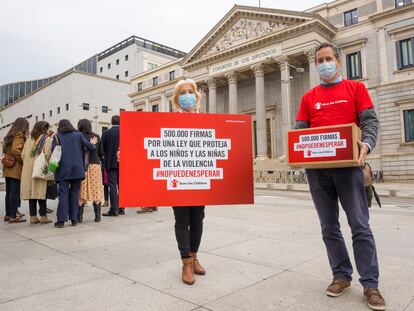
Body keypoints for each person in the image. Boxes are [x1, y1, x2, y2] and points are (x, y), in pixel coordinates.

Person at [295, 43, 385, 311]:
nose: (324, 63)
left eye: (328, 59)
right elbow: (300, 131)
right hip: (318, 172)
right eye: (319, 60)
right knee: (328, 227)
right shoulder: (309, 97)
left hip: (349, 169)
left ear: (338, 61)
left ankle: (370, 284)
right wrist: (297, 150)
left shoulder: (356, 89)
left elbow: (370, 122)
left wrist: (366, 145)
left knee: (360, 225)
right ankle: (341, 275)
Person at [170, 79, 206, 285]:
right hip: (178, 178)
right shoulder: (170, 119)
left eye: (190, 91)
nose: (187, 95)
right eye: (182, 92)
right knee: (182, 221)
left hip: (200, 178)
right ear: (177, 99)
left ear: (196, 95)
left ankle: (194, 257)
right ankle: (185, 263)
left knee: (198, 220)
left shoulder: (204, 119)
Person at [52, 119, 97, 228]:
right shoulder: (78, 134)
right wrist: (93, 143)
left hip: (63, 170)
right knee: (75, 193)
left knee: (63, 194)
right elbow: (90, 147)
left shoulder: (57, 136)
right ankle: (74, 219)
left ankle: (61, 221)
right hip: (77, 169)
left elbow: (53, 152)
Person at [20, 121, 53, 224]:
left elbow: (23, 155)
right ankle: (43, 217)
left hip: (28, 170)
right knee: (41, 193)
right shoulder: (47, 139)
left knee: (32, 193)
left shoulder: (29, 140)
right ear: (44, 129)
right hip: (39, 169)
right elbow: (47, 155)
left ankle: (33, 217)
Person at [2, 117, 29, 223]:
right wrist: (23, 160)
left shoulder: (10, 135)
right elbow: (15, 150)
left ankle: (8, 214)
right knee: (14, 192)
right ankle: (13, 215)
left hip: (8, 167)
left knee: (9, 192)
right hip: (15, 168)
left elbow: (8, 150)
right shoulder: (19, 134)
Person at [77, 119, 104, 222]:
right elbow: (101, 153)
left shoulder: (78, 136)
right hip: (95, 166)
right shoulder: (96, 136)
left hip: (82, 166)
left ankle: (79, 217)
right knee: (96, 189)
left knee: (82, 190)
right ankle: (98, 217)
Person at [101, 115, 122, 216]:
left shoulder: (106, 133)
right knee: (122, 185)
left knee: (112, 185)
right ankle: (122, 207)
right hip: (123, 163)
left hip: (110, 162)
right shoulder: (126, 131)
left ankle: (114, 209)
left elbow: (102, 148)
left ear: (111, 122)